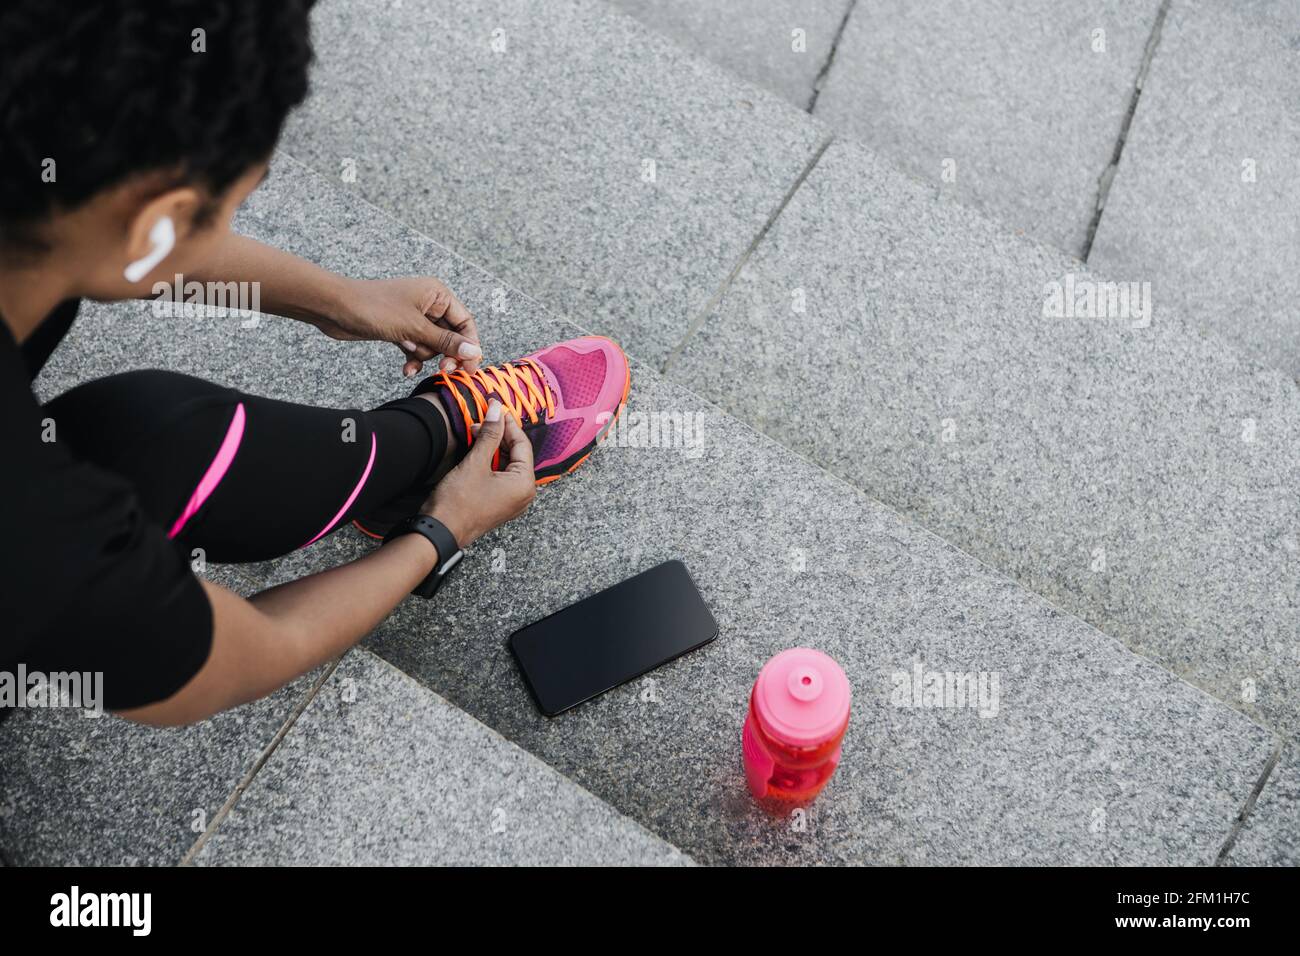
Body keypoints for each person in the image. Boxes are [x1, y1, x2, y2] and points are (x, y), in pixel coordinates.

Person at [0, 0, 629, 726]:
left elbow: (103, 227)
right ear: (156, 222)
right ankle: (436, 449)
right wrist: (441, 533)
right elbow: (236, 658)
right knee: (139, 443)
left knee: (143, 432)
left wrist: (336, 300)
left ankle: (420, 440)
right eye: (232, 201)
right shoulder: (28, 518)